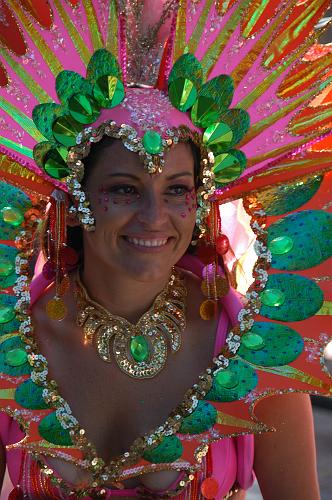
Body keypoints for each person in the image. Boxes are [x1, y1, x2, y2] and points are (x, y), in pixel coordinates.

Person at [0, 1, 331, 498]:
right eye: (125, 189)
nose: (155, 218)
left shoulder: (255, 357)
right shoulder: (13, 347)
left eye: (177, 189)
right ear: (75, 195)